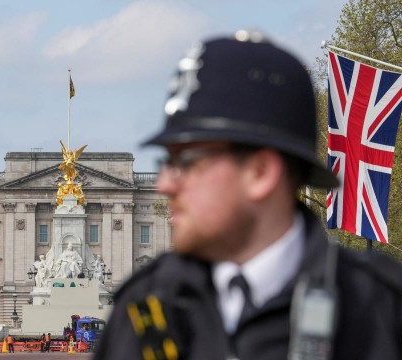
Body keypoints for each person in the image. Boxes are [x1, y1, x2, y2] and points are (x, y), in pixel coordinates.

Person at [95, 31, 402, 360]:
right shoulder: (145, 302)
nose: (165, 185)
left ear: (260, 173)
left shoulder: (378, 304)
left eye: (186, 162)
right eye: (167, 162)